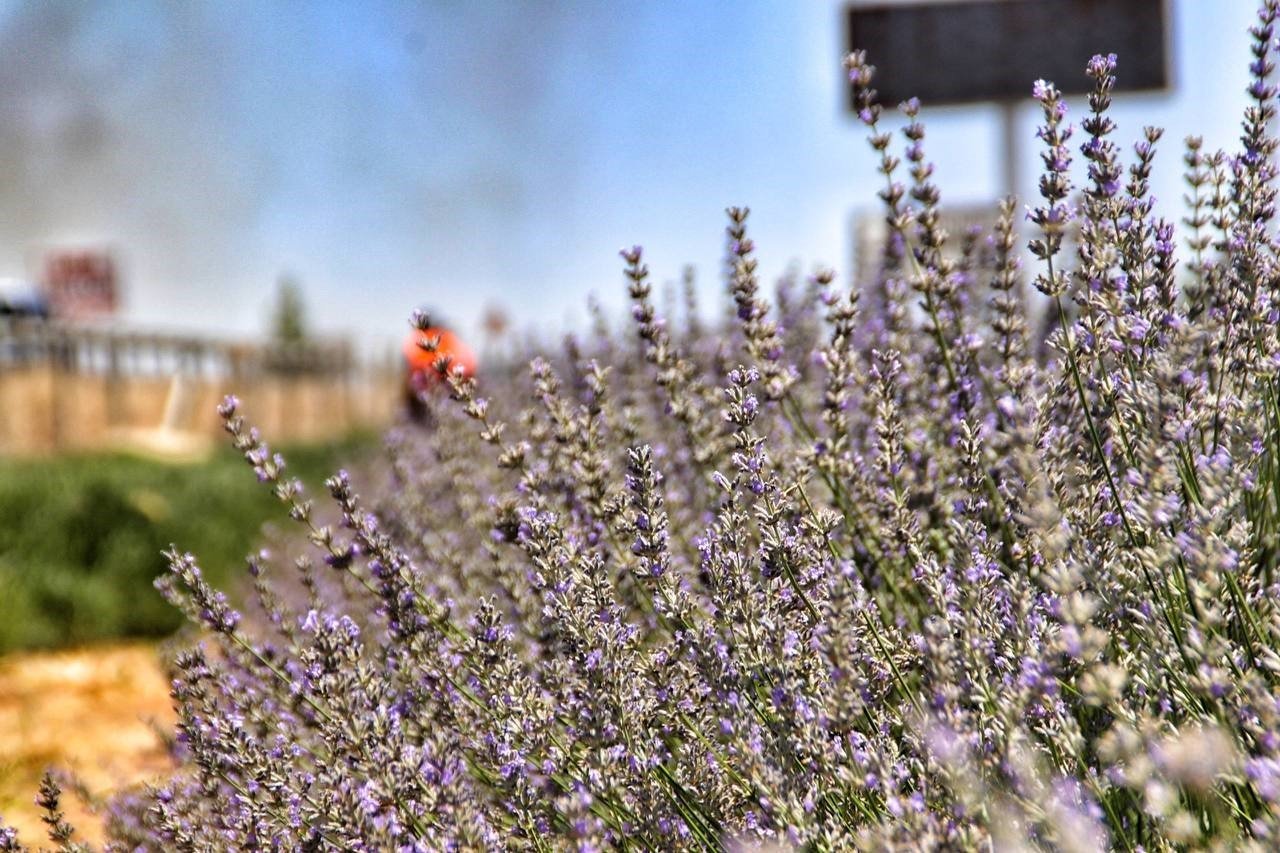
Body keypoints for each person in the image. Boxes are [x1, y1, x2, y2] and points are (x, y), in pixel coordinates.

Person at [402, 311, 477, 423]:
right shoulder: (449, 336)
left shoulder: (418, 338)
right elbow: (470, 361)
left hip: (433, 384)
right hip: (454, 383)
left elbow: (412, 361)